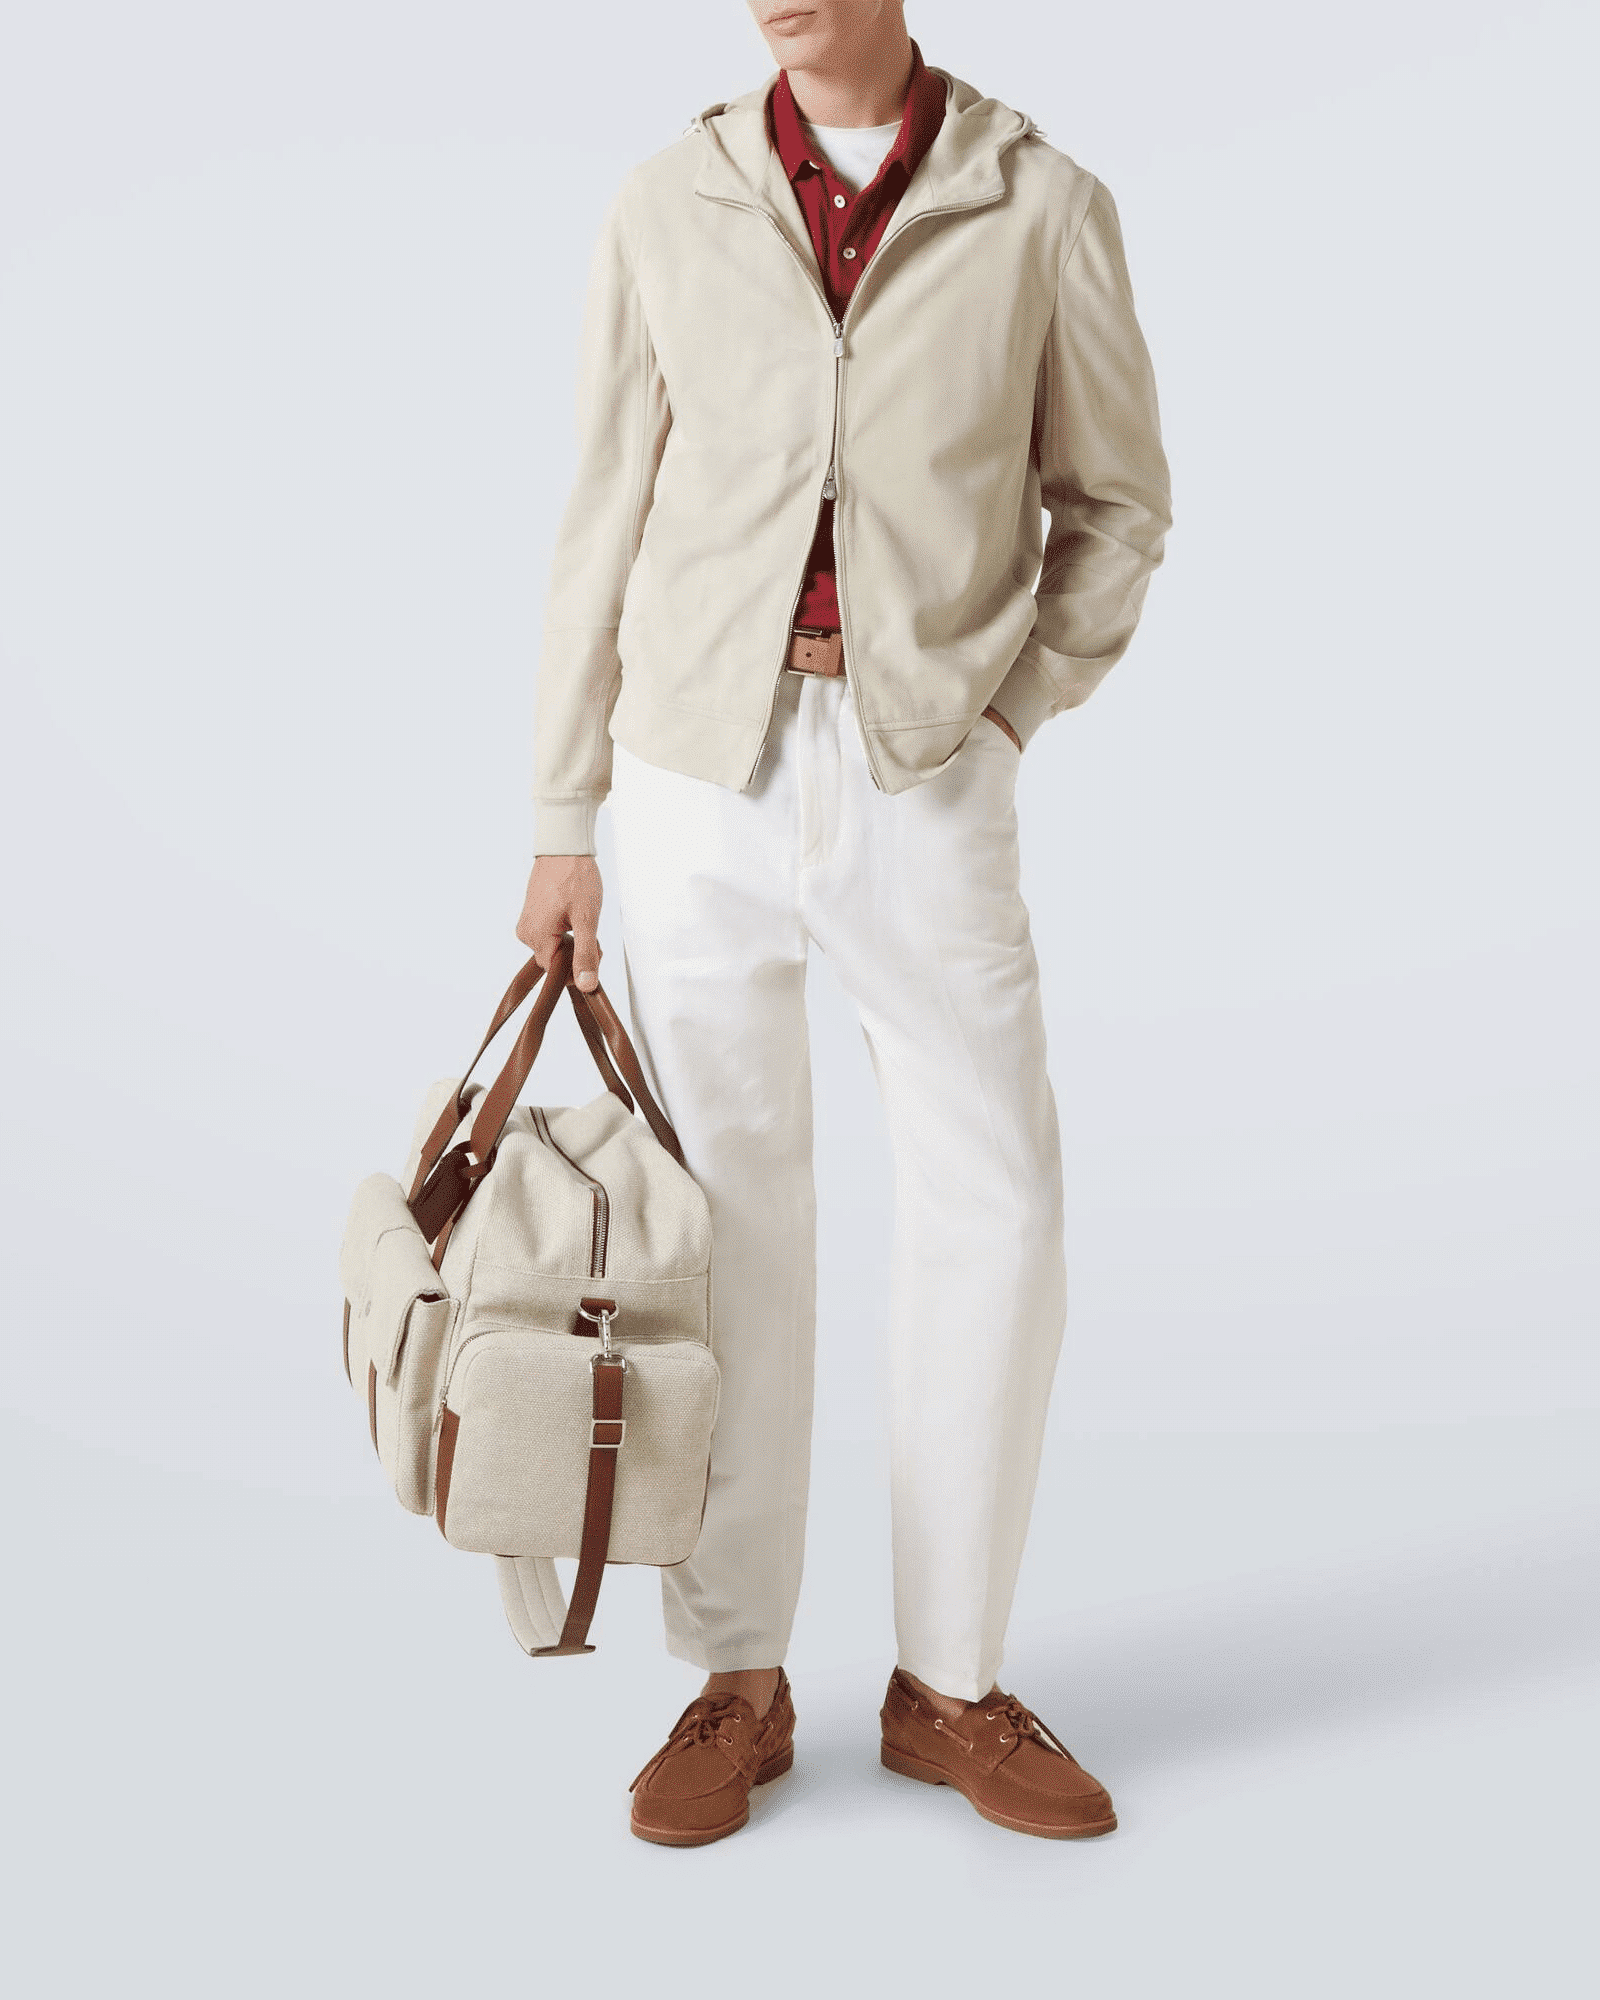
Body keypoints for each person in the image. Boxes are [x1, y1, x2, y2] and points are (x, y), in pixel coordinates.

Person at [515, 0, 1170, 1846]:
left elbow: (1119, 506)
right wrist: (563, 815)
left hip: (926, 778)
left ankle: (948, 1683)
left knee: (999, 1206)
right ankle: (736, 1679)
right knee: (725, 1230)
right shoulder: (669, 201)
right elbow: (599, 516)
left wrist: (1009, 715)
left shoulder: (1040, 204)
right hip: (693, 785)